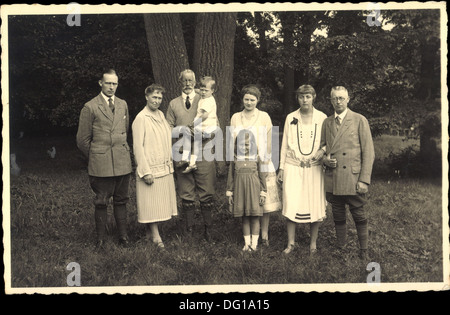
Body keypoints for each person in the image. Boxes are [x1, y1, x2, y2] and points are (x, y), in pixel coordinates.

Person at [76, 69, 132, 250]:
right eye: (108, 83)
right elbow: (82, 140)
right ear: (100, 83)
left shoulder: (123, 104)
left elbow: (125, 130)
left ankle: (123, 237)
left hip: (122, 161)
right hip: (101, 163)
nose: (111, 87)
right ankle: (100, 239)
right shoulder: (90, 107)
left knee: (121, 199)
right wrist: (97, 156)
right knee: (101, 200)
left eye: (114, 83)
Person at [320, 86, 375, 260]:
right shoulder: (327, 122)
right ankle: (341, 247)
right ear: (331, 100)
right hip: (333, 176)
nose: (338, 101)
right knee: (337, 213)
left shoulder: (359, 120)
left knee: (359, 213)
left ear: (348, 99)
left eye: (341, 98)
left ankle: (363, 250)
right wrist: (325, 160)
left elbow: (369, 151)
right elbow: (322, 148)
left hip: (353, 177)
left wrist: (364, 180)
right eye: (335, 98)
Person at [166, 69, 217, 241]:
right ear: (180, 82)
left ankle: (208, 231)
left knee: (206, 191)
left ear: (195, 83)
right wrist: (183, 130)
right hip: (182, 152)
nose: (188, 84)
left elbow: (214, 125)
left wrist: (203, 134)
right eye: (185, 80)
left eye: (191, 81)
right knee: (186, 192)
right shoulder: (173, 104)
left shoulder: (205, 100)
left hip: (204, 152)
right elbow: (167, 128)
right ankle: (188, 231)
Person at [277, 85, 327, 255]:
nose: (304, 100)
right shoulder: (291, 117)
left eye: (308, 96)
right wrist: (281, 168)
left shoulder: (322, 117)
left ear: (314, 97)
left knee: (315, 204)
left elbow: (329, 141)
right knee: (292, 201)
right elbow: (284, 145)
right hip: (293, 166)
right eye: (301, 97)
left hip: (314, 168)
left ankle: (313, 244)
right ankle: (291, 243)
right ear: (297, 99)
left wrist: (323, 151)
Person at [229, 85, 281, 247]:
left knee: (262, 200)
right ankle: (247, 237)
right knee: (246, 198)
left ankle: (263, 235)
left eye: (252, 100)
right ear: (242, 99)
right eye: (246, 99)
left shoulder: (264, 117)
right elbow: (232, 141)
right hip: (242, 164)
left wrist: (265, 160)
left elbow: (270, 139)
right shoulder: (236, 117)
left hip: (261, 162)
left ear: (258, 100)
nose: (249, 103)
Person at [132, 84, 178, 249]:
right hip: (150, 168)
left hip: (163, 166)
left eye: (159, 98)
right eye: (154, 97)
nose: (157, 101)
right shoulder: (141, 118)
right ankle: (156, 237)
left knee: (157, 203)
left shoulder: (160, 115)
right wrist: (145, 172)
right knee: (150, 203)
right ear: (147, 97)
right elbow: (138, 147)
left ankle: (149, 233)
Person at [227, 130, 267, 251]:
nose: (244, 147)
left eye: (247, 144)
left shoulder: (256, 158)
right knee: (244, 218)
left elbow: (262, 176)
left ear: (253, 145)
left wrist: (263, 192)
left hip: (254, 193)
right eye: (241, 145)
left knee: (255, 218)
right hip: (241, 193)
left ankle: (254, 245)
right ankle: (247, 244)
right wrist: (230, 193)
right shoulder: (235, 160)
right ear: (236, 146)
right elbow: (231, 177)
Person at [181, 76, 219, 174]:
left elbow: (205, 115)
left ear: (212, 91)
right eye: (201, 90)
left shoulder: (207, 101)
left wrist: (194, 124)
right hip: (207, 129)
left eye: (205, 90)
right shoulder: (208, 97)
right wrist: (195, 89)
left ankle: (185, 157)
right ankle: (192, 163)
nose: (202, 92)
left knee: (187, 133)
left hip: (204, 128)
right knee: (195, 143)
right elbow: (199, 90)